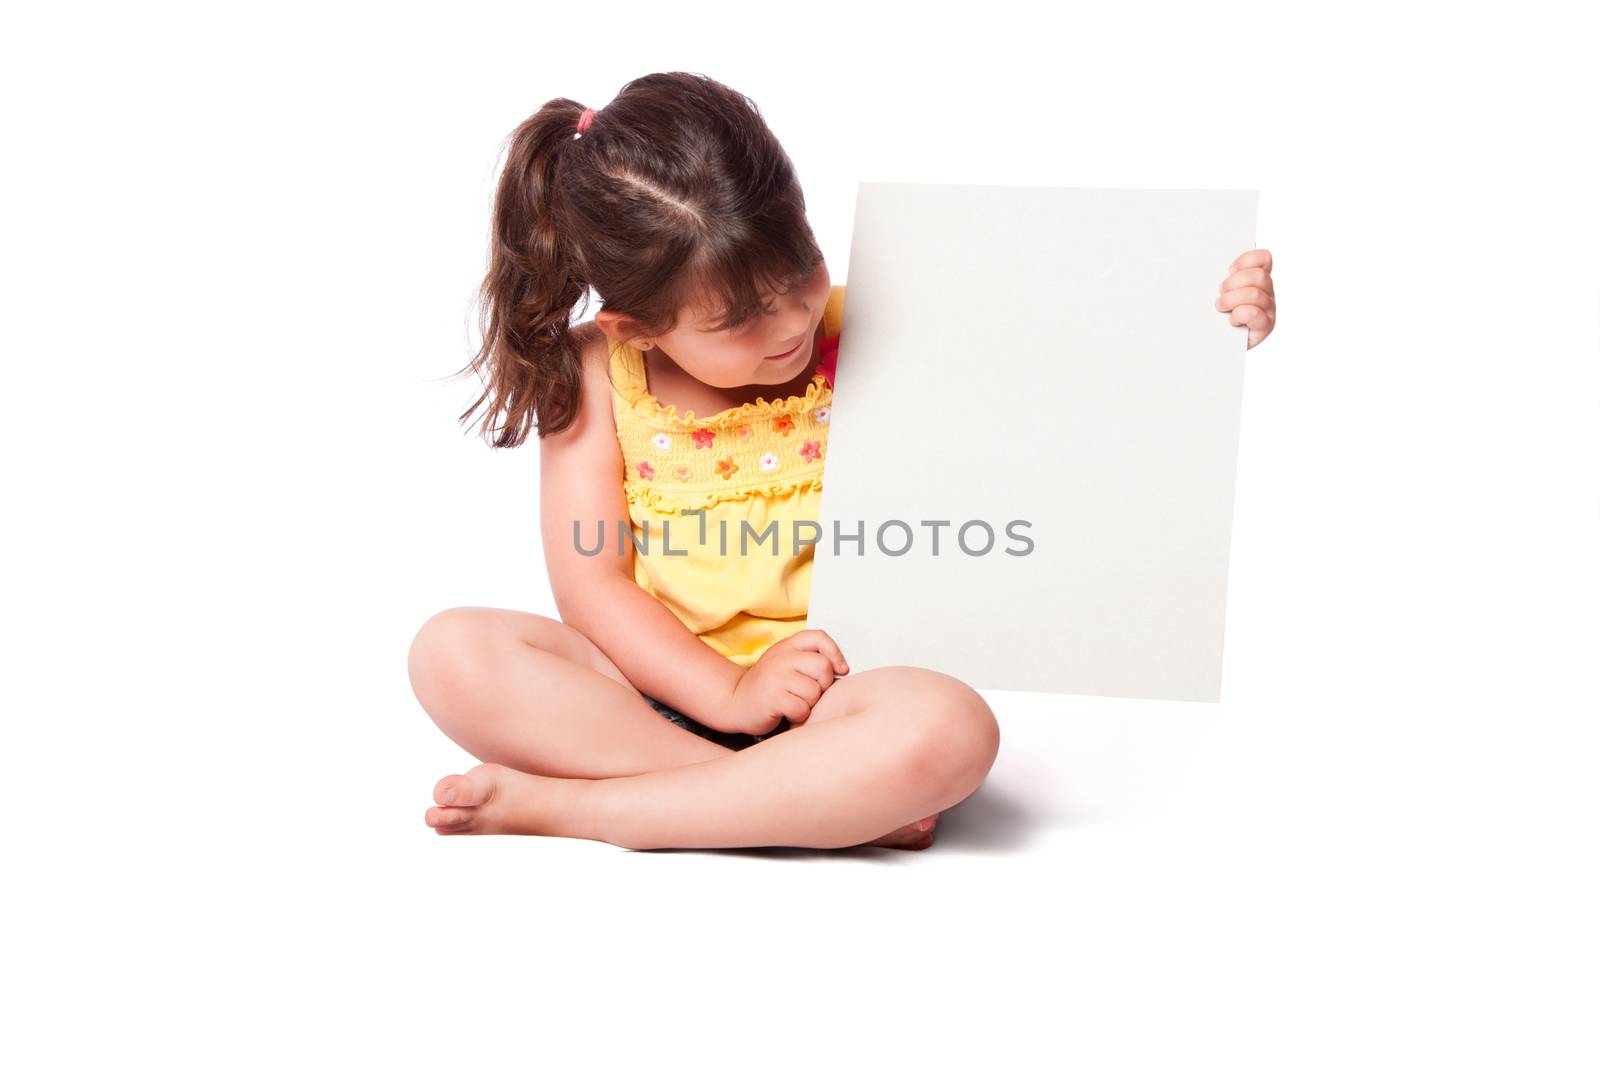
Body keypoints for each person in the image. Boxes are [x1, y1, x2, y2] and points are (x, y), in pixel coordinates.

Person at [407, 72, 1277, 850]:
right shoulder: (600, 368)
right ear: (640, 325)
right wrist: (729, 693)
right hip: (661, 701)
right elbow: (593, 586)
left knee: (950, 730)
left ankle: (594, 810)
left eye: (801, 270)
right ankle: (772, 803)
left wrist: (1205, 324)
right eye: (739, 318)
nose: (789, 323)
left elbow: (1058, 379)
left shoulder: (877, 328)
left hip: (844, 706)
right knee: (451, 652)